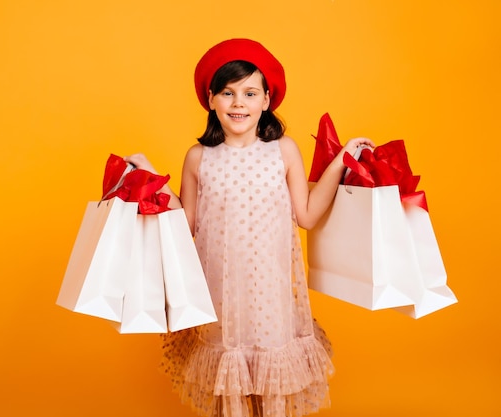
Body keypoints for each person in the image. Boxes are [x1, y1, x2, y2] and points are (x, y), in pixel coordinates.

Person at [125, 38, 374, 417]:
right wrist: (149, 177)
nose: (238, 103)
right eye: (228, 93)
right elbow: (185, 225)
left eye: (249, 93)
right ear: (211, 99)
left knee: (269, 385)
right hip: (220, 294)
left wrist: (340, 160)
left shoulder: (283, 150)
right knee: (232, 391)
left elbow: (305, 216)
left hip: (270, 295)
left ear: (266, 100)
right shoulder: (198, 157)